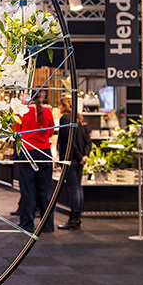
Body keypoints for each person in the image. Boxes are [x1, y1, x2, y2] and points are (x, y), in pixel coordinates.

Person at [14, 95, 55, 233]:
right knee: (46, 191)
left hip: (27, 153)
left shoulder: (21, 112)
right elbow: (50, 132)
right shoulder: (47, 111)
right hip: (44, 152)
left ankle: (27, 224)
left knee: (28, 190)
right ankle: (47, 225)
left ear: (26, 98)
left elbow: (16, 132)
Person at [56, 97, 92, 230]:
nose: (59, 108)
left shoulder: (65, 119)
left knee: (74, 189)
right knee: (78, 188)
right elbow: (88, 141)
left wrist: (79, 156)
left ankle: (74, 219)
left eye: (60, 106)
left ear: (65, 106)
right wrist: (85, 155)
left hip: (70, 159)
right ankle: (77, 218)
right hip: (80, 159)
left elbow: (70, 142)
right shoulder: (80, 119)